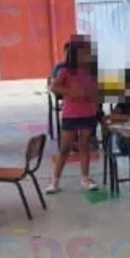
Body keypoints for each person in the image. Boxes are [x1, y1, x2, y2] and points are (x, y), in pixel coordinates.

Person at [47, 35, 100, 193]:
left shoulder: (92, 71)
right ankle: (55, 181)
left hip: (88, 113)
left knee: (84, 146)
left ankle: (85, 178)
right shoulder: (65, 71)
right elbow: (54, 87)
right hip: (71, 114)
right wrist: (72, 92)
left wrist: (95, 102)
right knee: (65, 148)